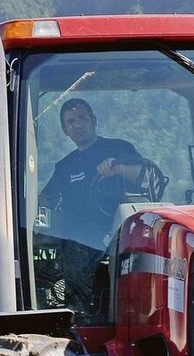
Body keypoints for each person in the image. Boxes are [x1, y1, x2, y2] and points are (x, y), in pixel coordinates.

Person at [35, 99, 147, 312]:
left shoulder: (118, 148)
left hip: (121, 240)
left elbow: (147, 177)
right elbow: (45, 199)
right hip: (77, 248)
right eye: (71, 121)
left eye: (82, 118)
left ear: (93, 120)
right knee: (81, 306)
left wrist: (117, 169)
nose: (78, 124)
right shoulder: (65, 167)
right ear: (65, 130)